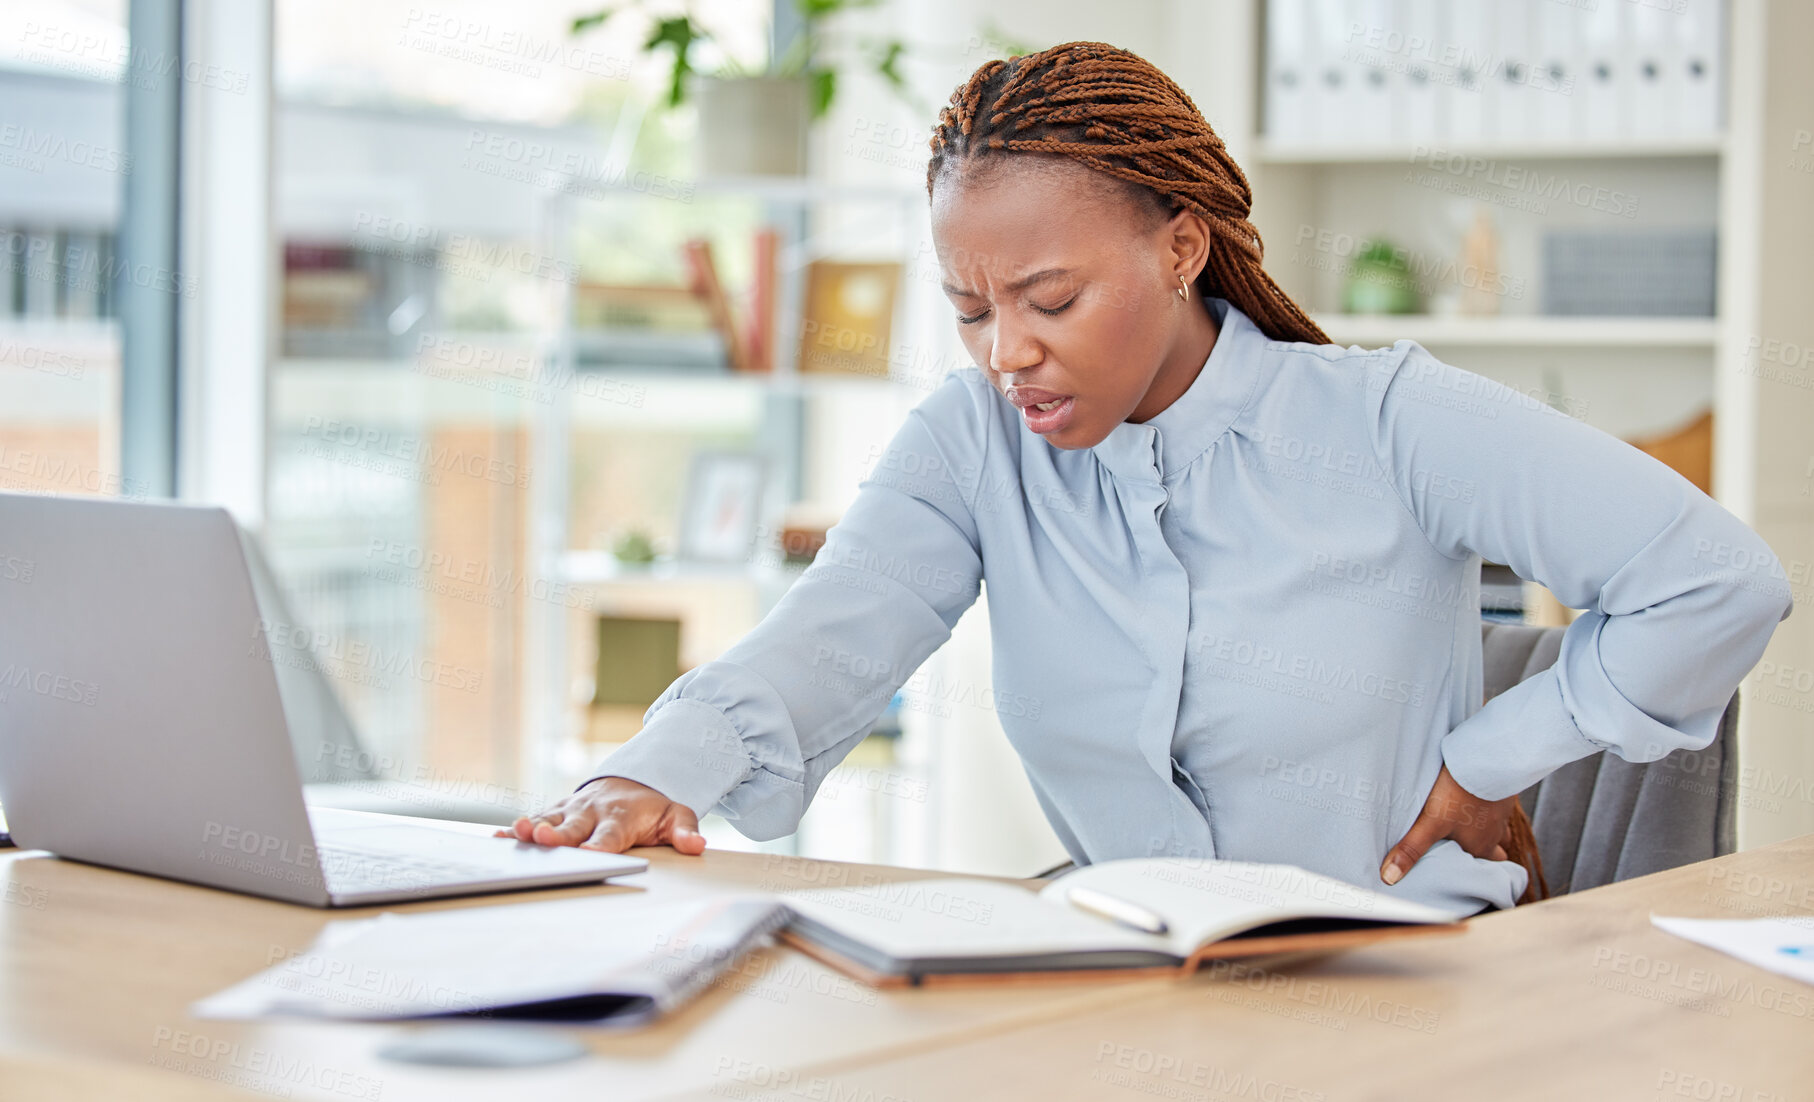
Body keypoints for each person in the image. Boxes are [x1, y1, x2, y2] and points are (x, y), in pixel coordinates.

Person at [501, 42, 1793, 915]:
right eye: (968, 309)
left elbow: (1715, 579)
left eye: (1048, 298)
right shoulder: (972, 443)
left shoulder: (1387, 418)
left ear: (1180, 248)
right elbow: (822, 639)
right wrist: (648, 770)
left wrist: (1496, 753)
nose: (1007, 351)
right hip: (1122, 973)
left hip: (1406, 989)